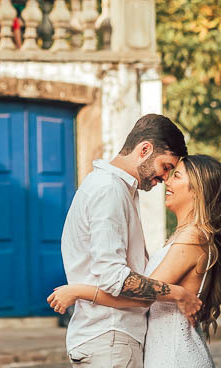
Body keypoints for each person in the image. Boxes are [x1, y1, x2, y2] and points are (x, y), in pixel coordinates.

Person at [49, 154, 221, 368]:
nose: (168, 182)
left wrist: (79, 291)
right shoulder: (184, 237)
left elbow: (141, 297)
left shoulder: (192, 238)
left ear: (198, 190)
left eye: (177, 176)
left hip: (175, 358)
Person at [53, 114, 199, 367]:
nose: (165, 178)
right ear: (145, 150)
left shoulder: (113, 188)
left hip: (107, 338)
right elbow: (113, 277)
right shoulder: (109, 190)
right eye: (165, 167)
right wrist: (178, 293)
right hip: (111, 338)